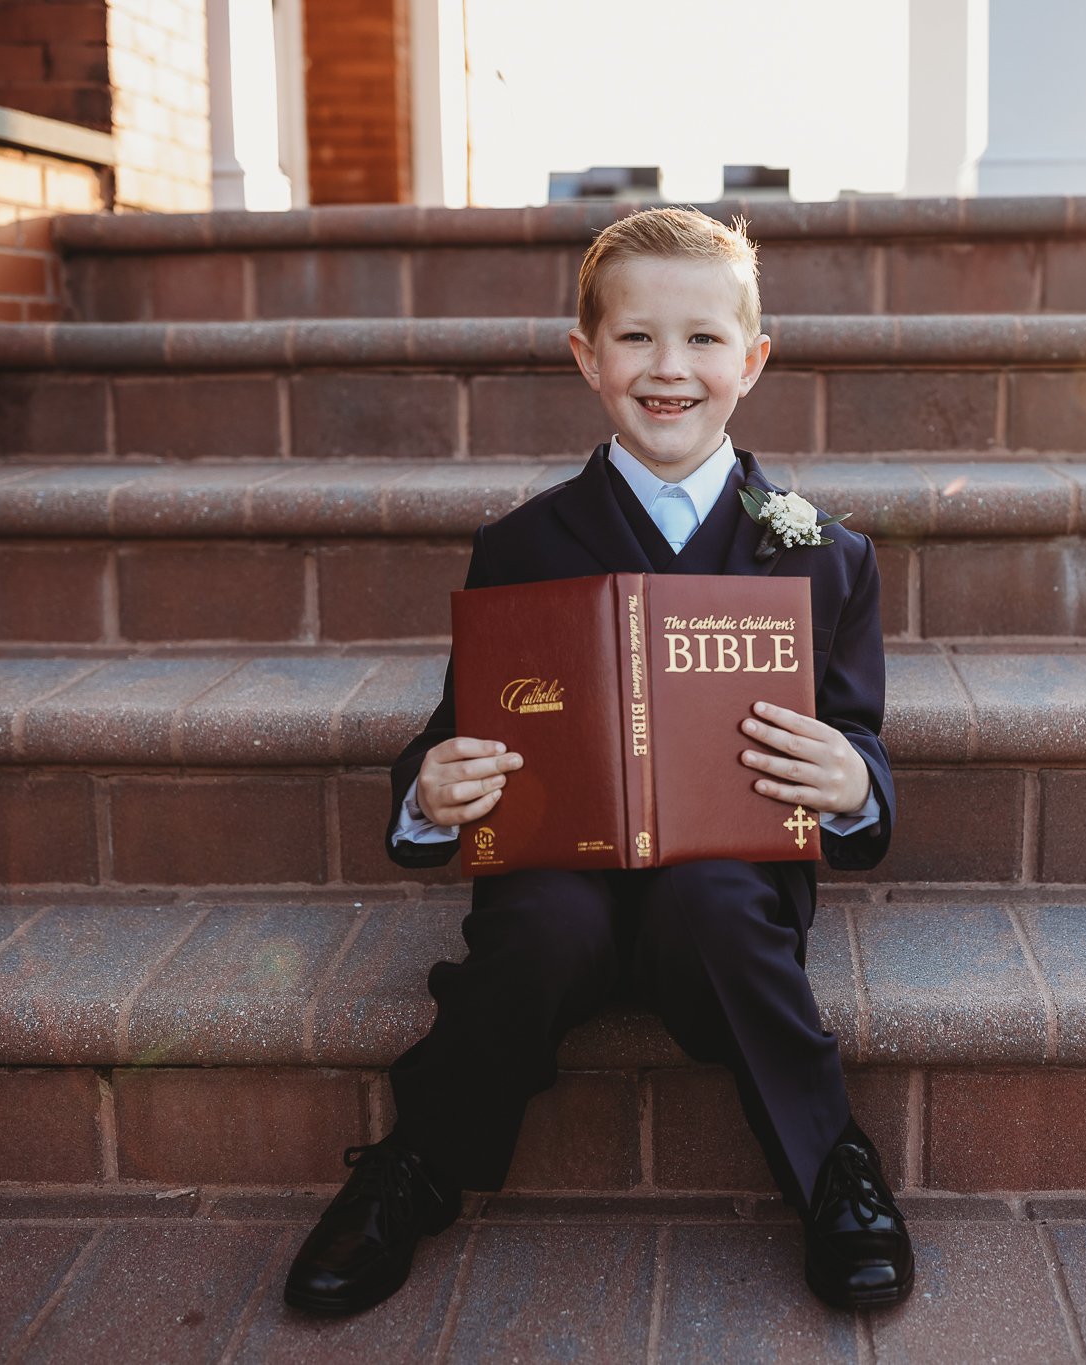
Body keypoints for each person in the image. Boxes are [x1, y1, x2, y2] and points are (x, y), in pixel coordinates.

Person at [284, 206, 908, 1316]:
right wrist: (430, 796)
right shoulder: (520, 545)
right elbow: (454, 730)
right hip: (560, 870)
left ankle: (828, 1167)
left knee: (712, 909)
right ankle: (414, 1165)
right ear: (586, 356)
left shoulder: (825, 555)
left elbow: (856, 736)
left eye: (704, 339)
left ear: (752, 360)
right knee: (539, 929)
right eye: (635, 338)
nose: (669, 369)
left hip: (725, 886)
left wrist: (853, 785)